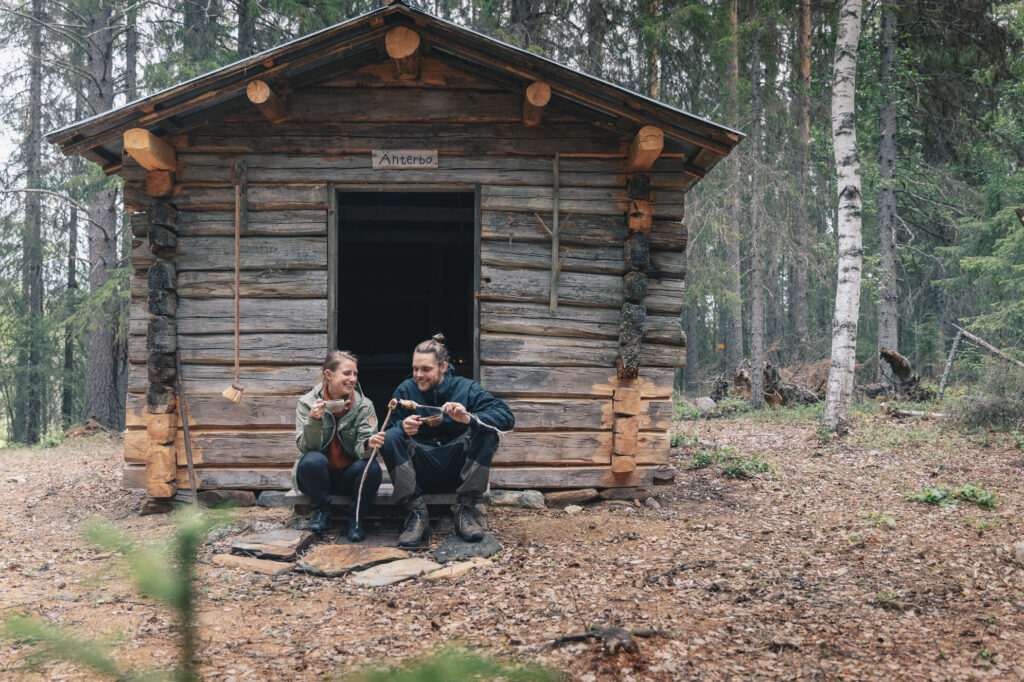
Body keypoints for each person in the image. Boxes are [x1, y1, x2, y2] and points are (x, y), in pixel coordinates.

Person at [380, 334, 515, 548]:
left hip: (457, 471)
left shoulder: (466, 388)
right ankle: (416, 513)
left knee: (486, 431)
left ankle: (465, 509)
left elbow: (506, 417)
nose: (418, 375)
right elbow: (386, 432)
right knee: (391, 437)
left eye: (425, 369)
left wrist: (469, 418)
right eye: (415, 368)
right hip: (420, 471)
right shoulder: (405, 390)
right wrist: (402, 427)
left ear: (443, 367)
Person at [294, 351, 385, 541]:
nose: (353, 379)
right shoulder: (307, 403)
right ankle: (322, 512)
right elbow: (305, 448)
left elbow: (365, 450)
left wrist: (369, 443)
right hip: (318, 479)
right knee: (312, 460)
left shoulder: (363, 406)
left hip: (347, 478)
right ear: (329, 375)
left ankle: (356, 518)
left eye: (355, 374)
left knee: (372, 468)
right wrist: (313, 421)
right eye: (347, 373)